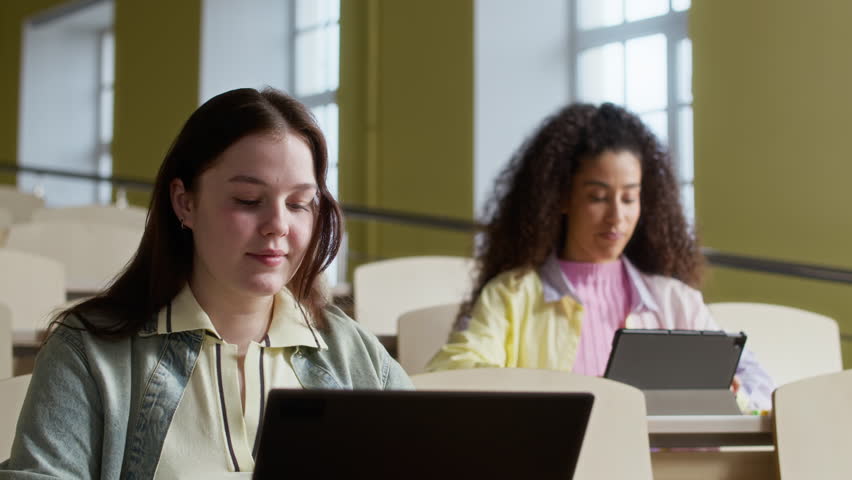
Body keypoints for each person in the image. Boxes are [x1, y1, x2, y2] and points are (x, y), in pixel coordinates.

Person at [0, 87, 412, 479]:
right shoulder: (88, 354)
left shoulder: (355, 355)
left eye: (299, 204)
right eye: (249, 201)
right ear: (185, 202)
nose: (278, 226)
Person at [427, 102, 773, 411]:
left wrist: (732, 396)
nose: (616, 217)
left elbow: (760, 391)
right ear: (562, 198)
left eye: (629, 198)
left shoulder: (674, 301)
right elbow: (451, 373)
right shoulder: (511, 296)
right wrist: (572, 393)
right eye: (597, 197)